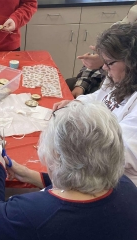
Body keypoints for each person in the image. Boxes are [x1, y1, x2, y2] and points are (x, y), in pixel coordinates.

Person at [0, 100, 137, 240]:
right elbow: (79, 182)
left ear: (56, 155)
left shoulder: (30, 214)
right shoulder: (126, 186)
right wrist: (28, 174)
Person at [54, 23, 137, 185]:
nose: (104, 68)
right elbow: (98, 97)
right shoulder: (119, 77)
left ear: (132, 63)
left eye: (109, 63)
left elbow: (116, 152)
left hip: (115, 180)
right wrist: (75, 104)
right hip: (95, 157)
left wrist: (74, 140)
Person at [66, 2, 137, 98]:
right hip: (105, 89)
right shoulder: (120, 29)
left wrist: (107, 60)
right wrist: (81, 86)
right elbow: (100, 93)